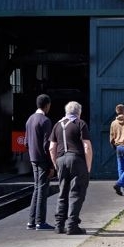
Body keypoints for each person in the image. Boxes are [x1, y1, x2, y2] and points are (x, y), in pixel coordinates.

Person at [49, 101, 93, 235]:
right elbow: (87, 146)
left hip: (61, 159)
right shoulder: (80, 124)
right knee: (76, 193)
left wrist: (56, 164)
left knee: (62, 192)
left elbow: (52, 148)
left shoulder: (57, 125)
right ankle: (72, 225)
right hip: (76, 159)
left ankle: (59, 225)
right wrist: (88, 166)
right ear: (78, 112)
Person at [25, 94, 55, 230]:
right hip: (43, 160)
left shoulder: (30, 119)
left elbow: (26, 143)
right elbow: (46, 145)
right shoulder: (45, 121)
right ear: (47, 105)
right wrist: (51, 165)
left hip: (33, 158)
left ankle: (31, 221)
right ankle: (40, 222)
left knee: (36, 188)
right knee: (43, 189)